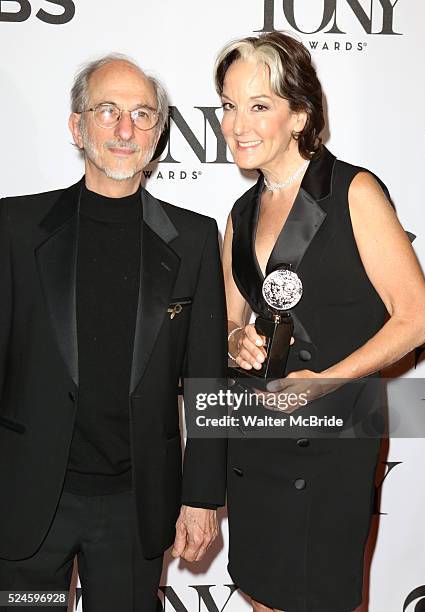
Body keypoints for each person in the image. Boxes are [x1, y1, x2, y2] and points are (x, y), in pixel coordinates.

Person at [214, 32, 425, 612]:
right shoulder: (239, 214)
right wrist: (237, 341)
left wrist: (328, 381)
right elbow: (234, 325)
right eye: (229, 106)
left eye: (259, 106)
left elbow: (417, 318)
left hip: (336, 434)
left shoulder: (352, 191)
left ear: (299, 115)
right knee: (261, 594)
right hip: (258, 436)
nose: (238, 124)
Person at [0, 54, 227, 612]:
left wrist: (200, 498)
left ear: (157, 133)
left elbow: (207, 381)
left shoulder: (193, 240)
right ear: (78, 127)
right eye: (108, 111)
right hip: (29, 500)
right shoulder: (14, 228)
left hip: (134, 508)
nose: (126, 129)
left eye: (142, 114)